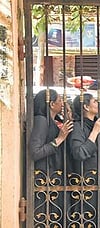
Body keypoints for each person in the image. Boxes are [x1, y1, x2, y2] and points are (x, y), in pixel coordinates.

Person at [30, 89, 74, 226]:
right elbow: (35, 152)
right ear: (51, 104)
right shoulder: (41, 120)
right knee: (46, 217)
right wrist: (59, 139)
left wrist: (68, 116)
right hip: (44, 176)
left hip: (53, 176)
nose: (63, 103)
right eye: (60, 100)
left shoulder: (52, 120)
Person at [69, 93, 100, 227]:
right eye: (94, 101)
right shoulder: (78, 127)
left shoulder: (98, 124)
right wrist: (94, 133)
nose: (98, 103)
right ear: (86, 107)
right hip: (87, 183)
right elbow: (79, 153)